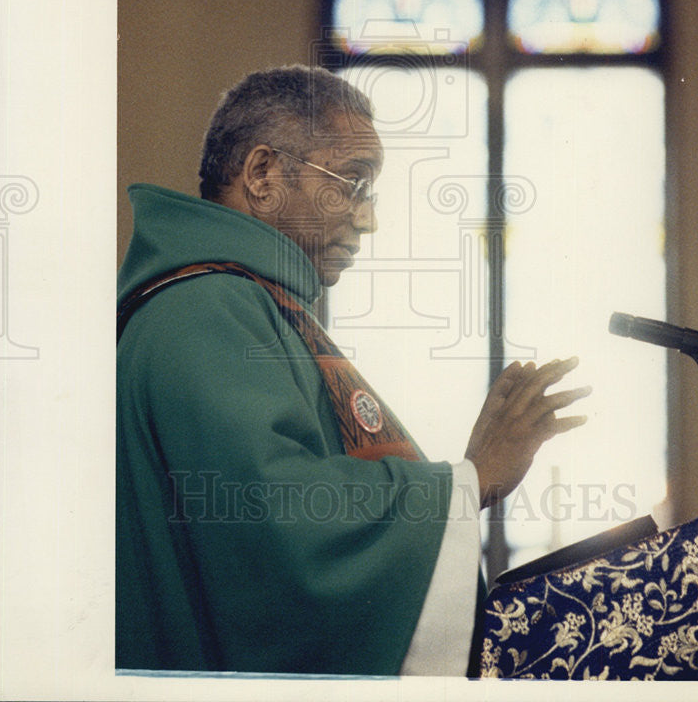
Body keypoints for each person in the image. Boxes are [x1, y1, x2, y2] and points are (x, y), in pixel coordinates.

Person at [116, 65, 590, 677]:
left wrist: (466, 483)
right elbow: (277, 533)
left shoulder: (247, 303)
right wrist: (470, 482)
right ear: (262, 176)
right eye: (353, 183)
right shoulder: (206, 309)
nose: (368, 220)